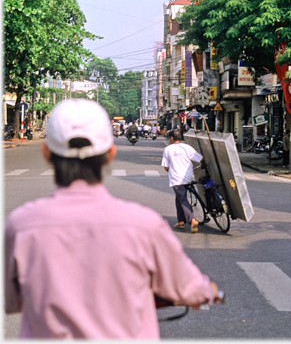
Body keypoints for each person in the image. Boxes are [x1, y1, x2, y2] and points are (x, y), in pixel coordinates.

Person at [5, 99, 219, 339]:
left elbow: (13, 300)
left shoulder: (20, 224)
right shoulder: (145, 224)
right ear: (110, 153)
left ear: (46, 152)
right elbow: (188, 287)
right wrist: (209, 291)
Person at [161, 129, 208, 233]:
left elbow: (166, 167)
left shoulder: (167, 149)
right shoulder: (186, 147)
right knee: (179, 197)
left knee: (182, 198)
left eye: (169, 138)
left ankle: (192, 220)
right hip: (188, 177)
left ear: (172, 138)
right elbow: (201, 159)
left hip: (177, 179)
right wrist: (203, 164)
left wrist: (171, 169)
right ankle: (181, 221)